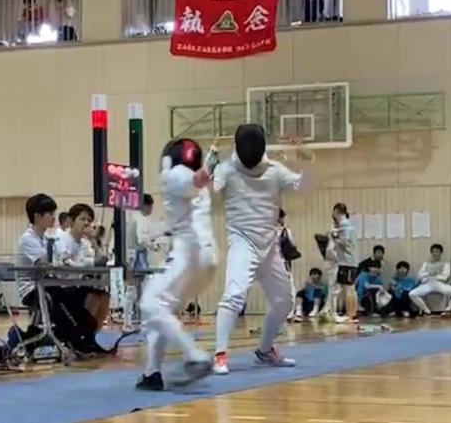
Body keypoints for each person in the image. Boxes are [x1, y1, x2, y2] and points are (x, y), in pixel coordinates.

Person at [212, 124, 313, 375]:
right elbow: (210, 189)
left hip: (269, 245)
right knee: (234, 295)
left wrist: (306, 159)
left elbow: (303, 185)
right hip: (242, 242)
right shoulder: (226, 169)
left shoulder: (275, 171)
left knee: (284, 300)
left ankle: (265, 350)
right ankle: (220, 355)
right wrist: (210, 163)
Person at [136, 138, 217, 391]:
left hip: (188, 253)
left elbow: (190, 180)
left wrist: (201, 175)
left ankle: (194, 354)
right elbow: (194, 183)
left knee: (149, 304)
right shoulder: (196, 187)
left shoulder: (174, 174)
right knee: (162, 312)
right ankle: (151, 373)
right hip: (207, 257)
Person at [15, 194, 102, 354]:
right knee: (62, 301)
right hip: (32, 290)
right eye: (50, 214)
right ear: (37, 216)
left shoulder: (45, 238)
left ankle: (86, 337)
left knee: (76, 298)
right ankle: (74, 341)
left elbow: (58, 263)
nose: (53, 218)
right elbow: (46, 265)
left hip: (48, 285)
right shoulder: (28, 239)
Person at [56, 203, 110, 330]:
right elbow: (67, 265)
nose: (86, 223)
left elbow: (101, 260)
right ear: (71, 221)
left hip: (79, 285)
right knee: (93, 297)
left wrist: (93, 239)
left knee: (104, 297)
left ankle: (92, 334)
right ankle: (82, 333)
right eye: (82, 219)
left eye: (89, 220)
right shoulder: (62, 238)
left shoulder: (85, 243)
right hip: (62, 286)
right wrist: (90, 264)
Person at [409, 244, 451, 317]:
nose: (435, 253)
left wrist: (434, 276)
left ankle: (448, 310)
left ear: (441, 252)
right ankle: (427, 311)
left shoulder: (445, 264)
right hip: (427, 284)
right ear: (431, 253)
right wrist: (429, 274)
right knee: (412, 294)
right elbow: (419, 275)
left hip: (440, 284)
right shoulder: (426, 264)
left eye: (437, 251)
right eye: (433, 252)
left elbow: (445, 276)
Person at [332, 203, 359, 324]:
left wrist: (334, 237)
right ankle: (352, 314)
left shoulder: (344, 226)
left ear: (336, 212)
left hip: (346, 261)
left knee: (348, 289)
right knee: (351, 288)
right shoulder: (349, 225)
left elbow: (344, 243)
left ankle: (350, 315)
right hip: (351, 261)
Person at [127, 193, 157, 270]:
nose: (152, 209)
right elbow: (142, 240)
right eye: (151, 206)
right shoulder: (141, 218)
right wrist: (154, 246)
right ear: (145, 206)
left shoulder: (133, 216)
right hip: (138, 254)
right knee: (142, 274)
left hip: (131, 253)